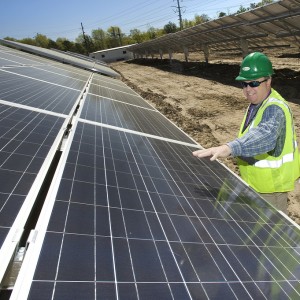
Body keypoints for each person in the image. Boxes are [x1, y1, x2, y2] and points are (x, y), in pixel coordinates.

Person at [192, 52, 300, 214]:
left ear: (268, 81)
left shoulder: (274, 108)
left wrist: (229, 148)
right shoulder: (256, 103)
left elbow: (265, 136)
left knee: (271, 235)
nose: (248, 89)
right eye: (244, 84)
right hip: (255, 184)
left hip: (270, 189)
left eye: (254, 83)